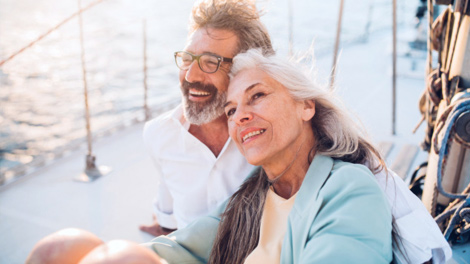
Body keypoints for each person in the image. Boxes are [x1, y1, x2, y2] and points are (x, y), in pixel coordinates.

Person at [143, 48, 393, 263]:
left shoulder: (350, 189)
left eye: (257, 95)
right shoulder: (251, 197)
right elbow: (183, 249)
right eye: (231, 110)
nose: (240, 116)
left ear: (306, 106)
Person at [139, 0, 273, 236]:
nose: (190, 75)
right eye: (188, 59)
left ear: (246, 70)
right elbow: (169, 222)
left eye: (211, 62)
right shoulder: (159, 135)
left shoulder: (272, 133)